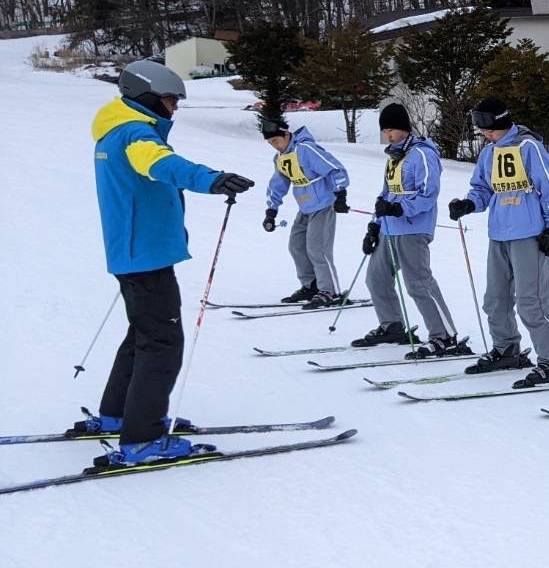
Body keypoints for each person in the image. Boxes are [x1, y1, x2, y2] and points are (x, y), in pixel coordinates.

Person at [77, 59, 254, 465]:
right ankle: (143, 437)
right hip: (145, 255)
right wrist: (211, 178)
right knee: (162, 342)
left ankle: (117, 415)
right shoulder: (136, 133)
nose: (173, 109)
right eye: (170, 101)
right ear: (147, 96)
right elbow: (161, 164)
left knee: (143, 334)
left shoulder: (113, 131)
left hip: (133, 251)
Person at [448, 97, 549, 387]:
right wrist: (468, 204)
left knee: (531, 303)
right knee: (495, 300)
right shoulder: (489, 153)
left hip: (529, 234)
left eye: (487, 128)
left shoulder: (528, 147)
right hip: (499, 234)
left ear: (499, 122)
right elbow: (482, 188)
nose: (483, 134)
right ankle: (506, 348)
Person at [353, 103, 466, 358]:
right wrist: (374, 225)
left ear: (404, 128)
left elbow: (428, 195)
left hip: (413, 228)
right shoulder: (393, 157)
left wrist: (397, 208)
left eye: (392, 129)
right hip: (389, 228)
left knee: (418, 283)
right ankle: (391, 325)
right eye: (385, 131)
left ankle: (444, 335)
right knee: (376, 278)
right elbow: (385, 194)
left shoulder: (422, 154)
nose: (388, 135)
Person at [260, 115, 350, 308]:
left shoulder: (306, 149)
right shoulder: (281, 158)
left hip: (325, 205)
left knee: (317, 249)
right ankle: (312, 286)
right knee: (296, 246)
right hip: (305, 207)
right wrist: (271, 211)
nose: (274, 145)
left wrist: (340, 194)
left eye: (276, 140)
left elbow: (336, 169)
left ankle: (331, 291)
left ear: (286, 134)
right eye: (270, 143)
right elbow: (278, 185)